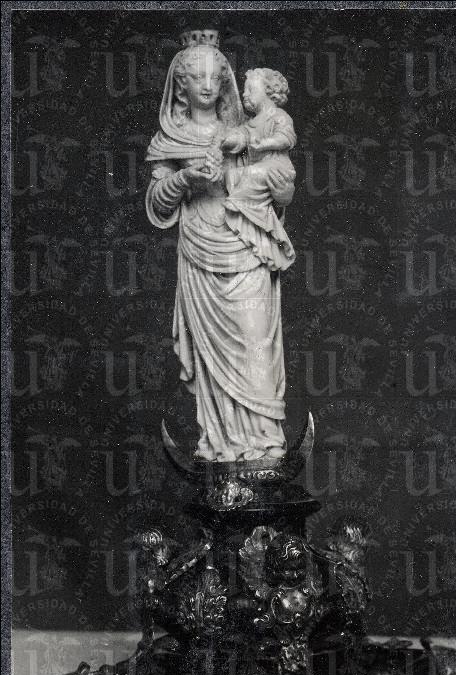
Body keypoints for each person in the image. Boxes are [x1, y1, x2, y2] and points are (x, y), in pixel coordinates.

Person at [145, 33, 295, 462]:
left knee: (255, 341)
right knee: (214, 366)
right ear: (181, 85)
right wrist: (185, 178)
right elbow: (157, 203)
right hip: (199, 249)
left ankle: (266, 442)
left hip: (246, 246)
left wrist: (270, 182)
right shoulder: (170, 138)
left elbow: (280, 190)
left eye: (216, 76)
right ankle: (223, 448)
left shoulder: (245, 131)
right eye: (198, 77)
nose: (209, 85)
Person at [221, 68, 296, 272]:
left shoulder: (278, 116)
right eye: (244, 91)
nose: (244, 94)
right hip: (258, 171)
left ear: (270, 92)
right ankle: (247, 208)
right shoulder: (250, 124)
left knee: (252, 174)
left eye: (250, 90)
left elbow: (287, 137)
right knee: (232, 175)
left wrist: (265, 143)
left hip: (276, 168)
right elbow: (240, 137)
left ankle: (238, 204)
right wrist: (226, 140)